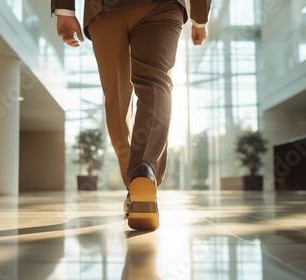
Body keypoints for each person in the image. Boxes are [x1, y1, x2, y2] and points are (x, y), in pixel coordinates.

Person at [52, 0, 212, 230]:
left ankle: (136, 184)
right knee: (156, 85)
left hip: (103, 9)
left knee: (117, 99)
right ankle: (144, 173)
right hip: (162, 5)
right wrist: (200, 16)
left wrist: (65, 9)